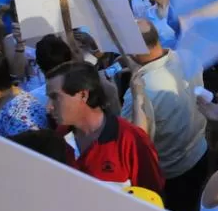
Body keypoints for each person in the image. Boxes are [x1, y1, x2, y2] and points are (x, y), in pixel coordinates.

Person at [121, 19, 208, 211]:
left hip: (173, 172)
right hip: (200, 152)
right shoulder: (188, 58)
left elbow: (133, 137)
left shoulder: (140, 90)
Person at [45, 61, 164, 193]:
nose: (48, 107)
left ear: (83, 95)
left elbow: (152, 199)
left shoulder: (132, 141)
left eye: (55, 97)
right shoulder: (60, 136)